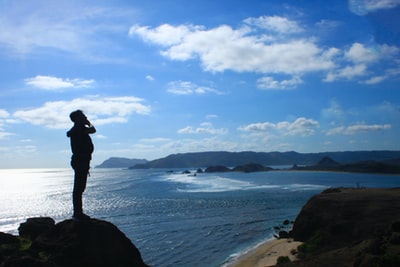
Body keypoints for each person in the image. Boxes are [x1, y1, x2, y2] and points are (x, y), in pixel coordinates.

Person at [66, 110, 96, 220]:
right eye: (83, 116)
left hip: (81, 161)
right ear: (78, 118)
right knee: (79, 188)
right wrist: (88, 123)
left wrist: (87, 123)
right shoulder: (79, 129)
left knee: (79, 188)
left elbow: (92, 130)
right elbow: (93, 130)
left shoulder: (78, 129)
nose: (85, 117)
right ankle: (77, 212)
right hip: (80, 161)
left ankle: (78, 212)